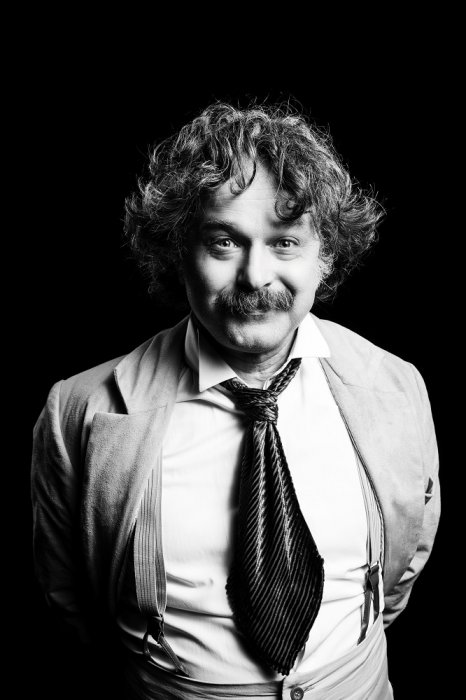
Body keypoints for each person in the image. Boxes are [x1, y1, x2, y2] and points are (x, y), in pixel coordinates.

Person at [31, 102, 440, 700]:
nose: (255, 276)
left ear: (325, 255)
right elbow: (72, 600)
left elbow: (404, 565)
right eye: (224, 242)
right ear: (179, 250)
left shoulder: (396, 388)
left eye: (286, 242)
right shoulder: (80, 412)